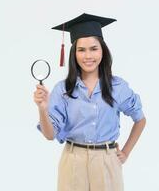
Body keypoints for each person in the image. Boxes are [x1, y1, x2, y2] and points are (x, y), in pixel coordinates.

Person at [33, 13, 146, 191]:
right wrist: (43, 108)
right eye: (81, 50)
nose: (88, 56)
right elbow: (49, 135)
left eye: (94, 48)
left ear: (103, 50)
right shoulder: (63, 90)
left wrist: (125, 153)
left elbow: (140, 119)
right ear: (74, 53)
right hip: (73, 161)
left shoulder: (118, 87)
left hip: (107, 161)